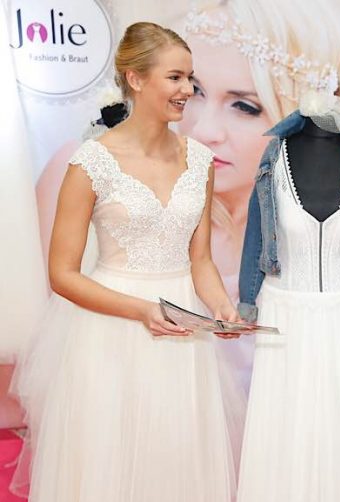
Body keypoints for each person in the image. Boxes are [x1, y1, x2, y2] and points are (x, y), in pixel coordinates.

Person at [10, 22, 245, 502]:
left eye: (190, 80)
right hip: (111, 329)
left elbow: (199, 258)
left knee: (176, 453)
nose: (186, 91)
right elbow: (61, 275)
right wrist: (142, 310)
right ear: (135, 79)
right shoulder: (90, 162)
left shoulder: (199, 161)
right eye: (175, 78)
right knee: (110, 460)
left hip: (182, 326)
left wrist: (221, 305)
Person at [235, 77, 340, 502]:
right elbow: (256, 234)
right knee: (285, 429)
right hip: (283, 318)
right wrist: (247, 300)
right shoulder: (273, 158)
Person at [178, 0, 340, 391]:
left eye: (244, 106)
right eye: (194, 90)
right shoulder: (141, 198)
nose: (205, 130)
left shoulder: (325, 222)